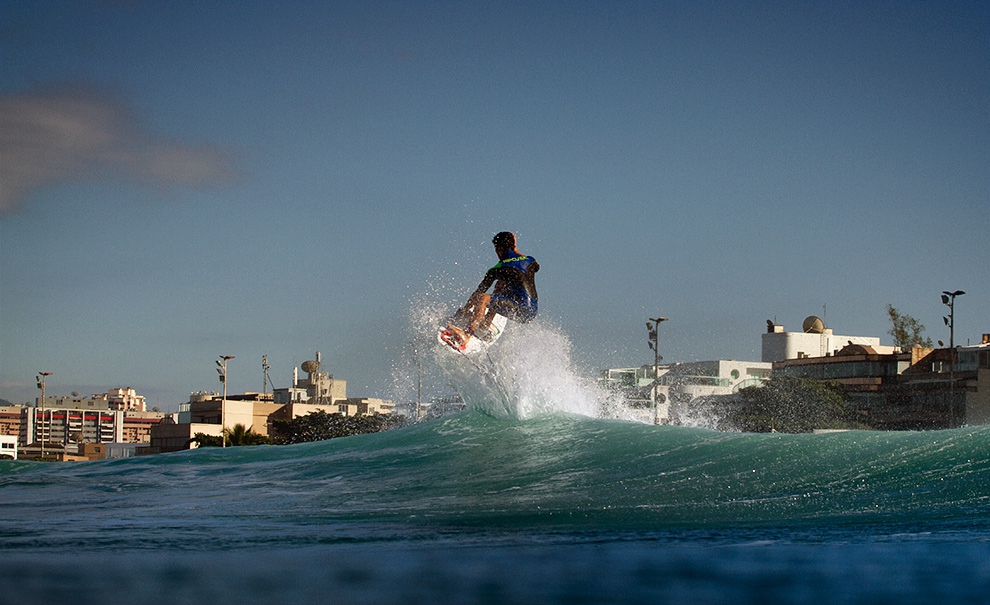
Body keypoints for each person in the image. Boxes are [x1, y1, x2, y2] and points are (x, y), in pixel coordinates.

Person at [446, 231, 539, 348]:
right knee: (500, 285)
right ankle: (485, 325)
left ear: (498, 249)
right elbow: (537, 267)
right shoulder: (530, 260)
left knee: (483, 298)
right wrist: (515, 250)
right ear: (513, 246)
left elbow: (479, 293)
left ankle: (467, 334)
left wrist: (465, 310)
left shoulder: (496, 269)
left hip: (520, 311)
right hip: (532, 311)